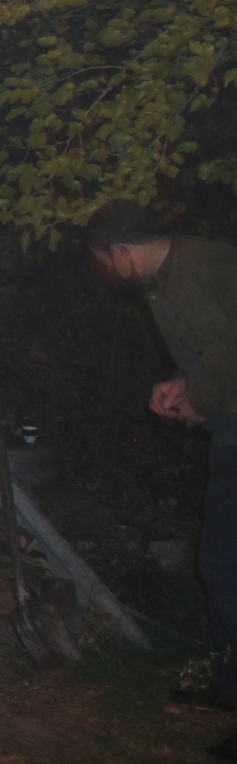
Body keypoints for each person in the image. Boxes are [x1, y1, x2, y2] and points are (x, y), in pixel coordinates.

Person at [88, 202, 237, 735]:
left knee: (227, 566)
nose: (107, 272)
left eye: (106, 262)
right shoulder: (170, 280)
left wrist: (202, 398)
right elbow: (215, 353)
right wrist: (181, 380)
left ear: (123, 251)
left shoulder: (201, 275)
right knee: (219, 563)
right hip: (229, 435)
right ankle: (230, 689)